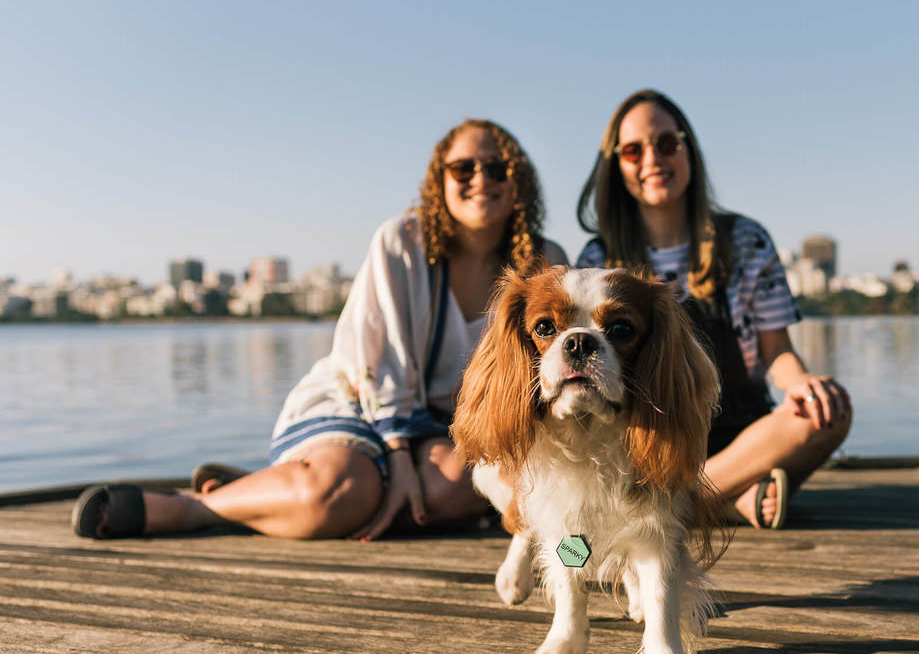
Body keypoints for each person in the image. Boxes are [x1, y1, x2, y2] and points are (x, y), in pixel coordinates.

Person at [72, 119, 567, 541]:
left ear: (518, 180)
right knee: (339, 490)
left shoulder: (545, 263)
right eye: (463, 168)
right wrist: (398, 456)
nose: (481, 178)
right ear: (440, 180)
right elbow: (377, 360)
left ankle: (289, 497)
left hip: (444, 426)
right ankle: (198, 507)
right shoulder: (402, 241)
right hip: (361, 397)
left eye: (497, 168)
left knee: (466, 483)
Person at [575, 89, 851, 529]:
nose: (652, 160)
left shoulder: (745, 240)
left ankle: (672, 508)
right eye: (632, 151)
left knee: (830, 411)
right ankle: (731, 500)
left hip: (744, 434)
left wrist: (801, 383)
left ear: (690, 151)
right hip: (650, 436)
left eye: (667, 143)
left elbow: (776, 350)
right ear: (614, 166)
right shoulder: (598, 258)